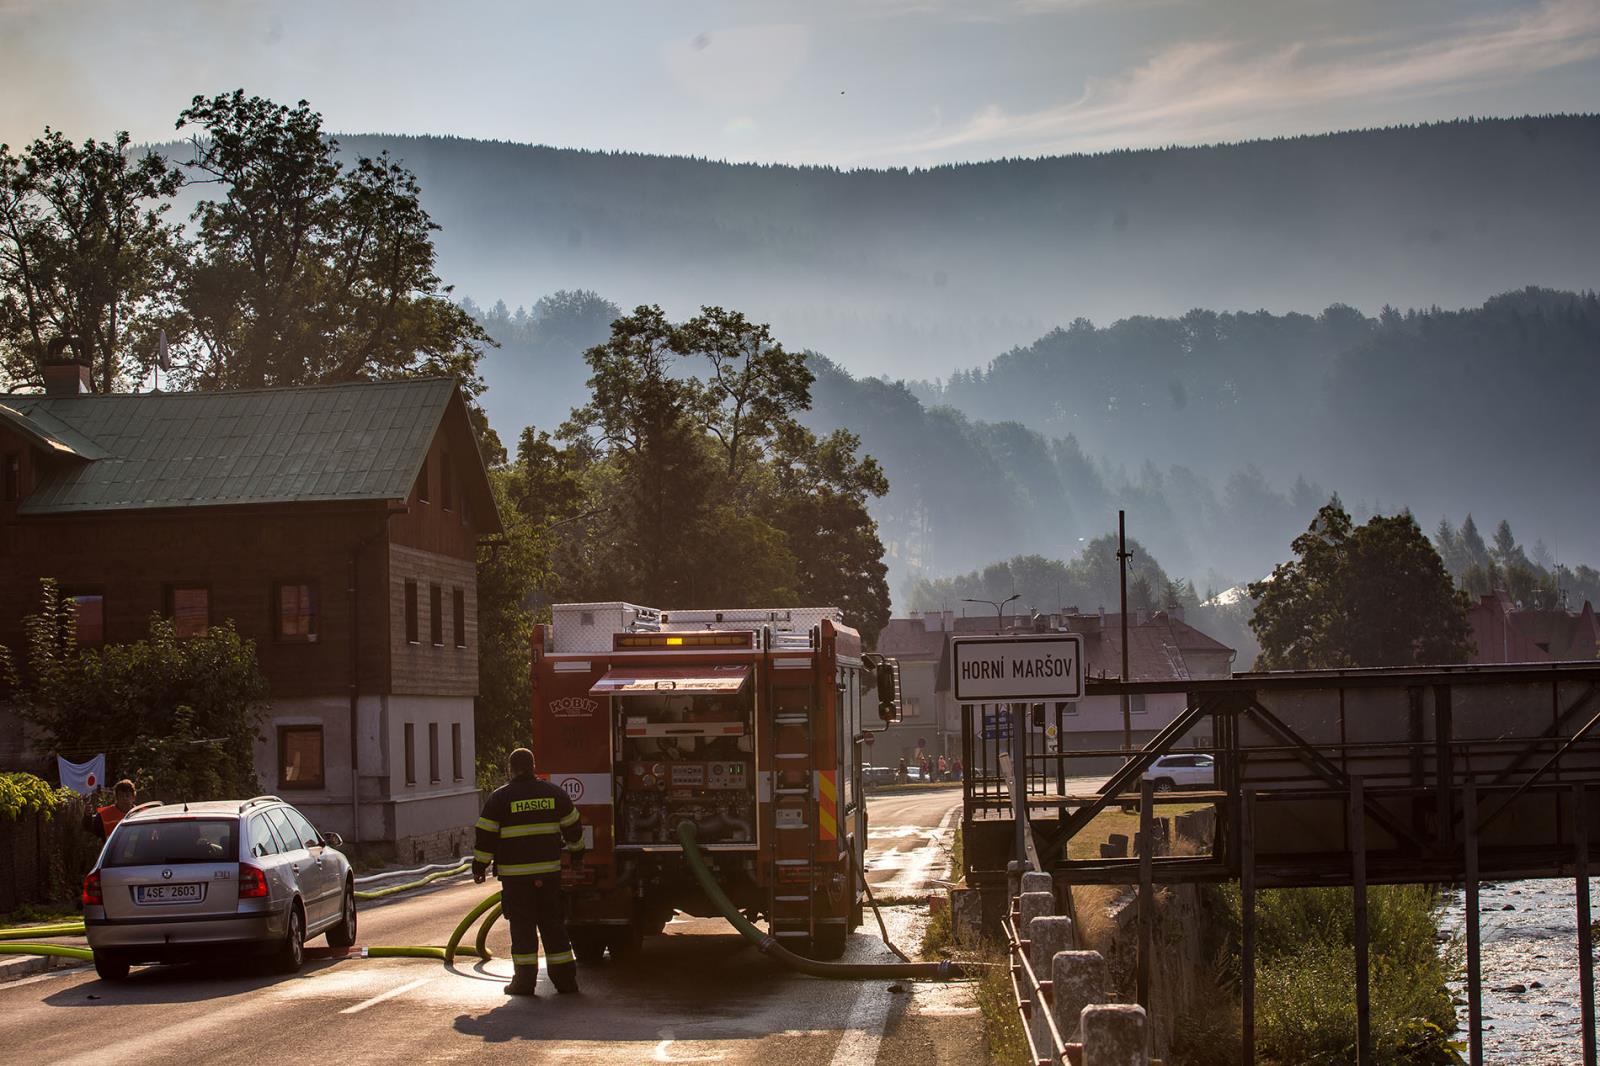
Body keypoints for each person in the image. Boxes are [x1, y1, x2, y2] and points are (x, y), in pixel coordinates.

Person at [473, 748, 586, 996]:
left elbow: (485, 837)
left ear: (511, 769)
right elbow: (574, 827)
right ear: (533, 767)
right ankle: (566, 982)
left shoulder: (499, 799)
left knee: (523, 930)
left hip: (516, 880)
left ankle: (524, 983)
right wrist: (577, 856)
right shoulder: (554, 794)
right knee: (554, 928)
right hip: (548, 876)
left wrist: (479, 867)